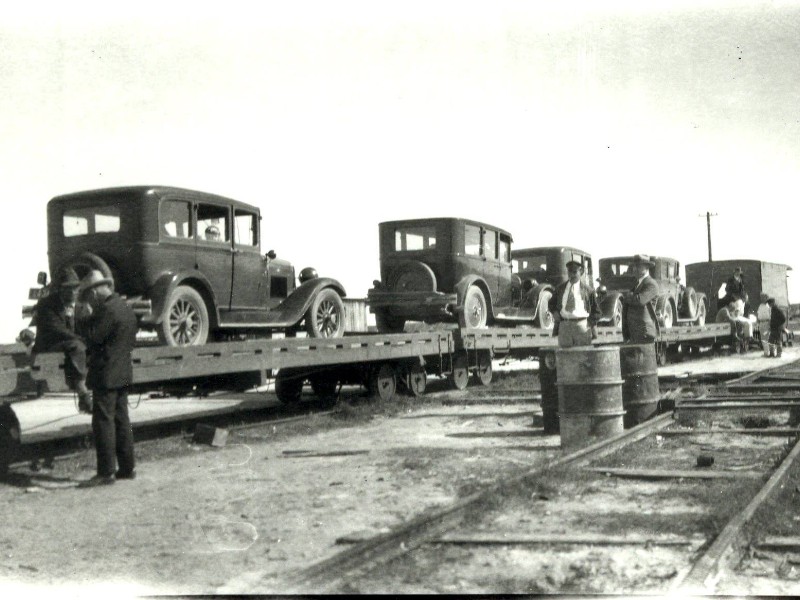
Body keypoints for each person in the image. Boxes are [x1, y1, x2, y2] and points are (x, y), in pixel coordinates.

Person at [77, 269, 139, 487]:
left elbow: (94, 338)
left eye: (88, 295)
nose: (89, 300)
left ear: (95, 292)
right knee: (122, 421)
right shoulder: (125, 308)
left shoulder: (106, 310)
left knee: (103, 422)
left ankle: (105, 473)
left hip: (105, 374)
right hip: (123, 372)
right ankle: (127, 468)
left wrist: (83, 319)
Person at [31, 268, 91, 412]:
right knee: (77, 347)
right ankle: (82, 391)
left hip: (71, 345)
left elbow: (86, 326)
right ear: (59, 289)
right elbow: (56, 329)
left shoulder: (81, 306)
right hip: (50, 345)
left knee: (84, 346)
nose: (72, 292)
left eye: (75, 288)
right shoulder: (47, 304)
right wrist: (81, 339)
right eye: (67, 289)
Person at [548, 260, 600, 347]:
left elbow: (596, 310)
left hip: (582, 326)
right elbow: (551, 304)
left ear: (581, 272)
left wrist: (591, 324)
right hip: (564, 327)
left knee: (583, 356)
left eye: (574, 272)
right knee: (564, 356)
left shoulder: (588, 290)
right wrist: (554, 313)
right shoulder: (560, 289)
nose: (571, 275)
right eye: (569, 272)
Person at [621, 254, 660, 344]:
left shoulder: (651, 284)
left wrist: (628, 296)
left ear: (646, 267)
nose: (634, 269)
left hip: (644, 333)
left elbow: (640, 300)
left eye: (638, 266)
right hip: (635, 332)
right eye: (634, 266)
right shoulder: (637, 284)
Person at [757, 292, 773, 357]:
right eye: (761, 297)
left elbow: (771, 315)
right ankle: (766, 352)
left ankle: (771, 352)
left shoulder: (769, 306)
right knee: (763, 338)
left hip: (767, 322)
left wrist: (770, 324)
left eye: (763, 297)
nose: (762, 299)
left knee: (768, 337)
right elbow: (758, 314)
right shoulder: (760, 306)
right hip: (761, 323)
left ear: (767, 298)